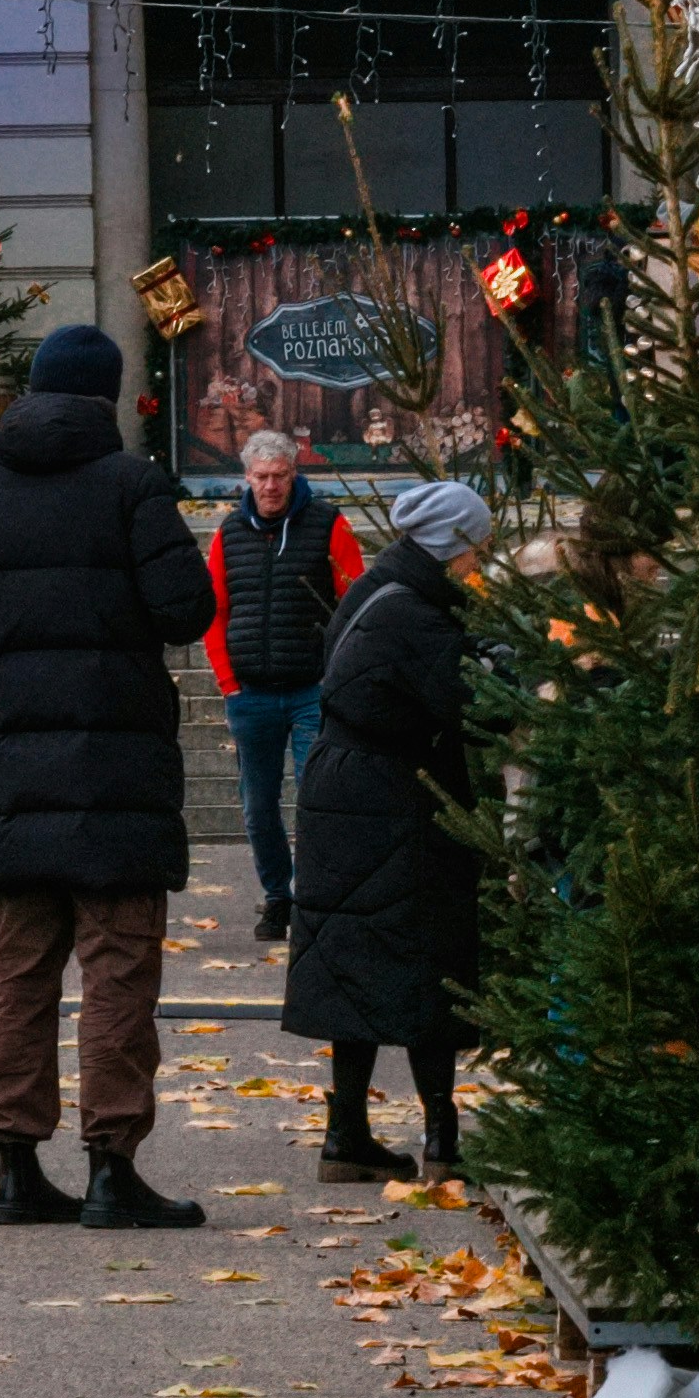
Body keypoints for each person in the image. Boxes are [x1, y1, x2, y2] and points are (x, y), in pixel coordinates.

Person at [0, 322, 218, 1229]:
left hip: (13, 768)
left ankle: (15, 1168)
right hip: (116, 772)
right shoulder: (133, 484)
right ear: (106, 397)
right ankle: (111, 1167)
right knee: (118, 970)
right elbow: (185, 609)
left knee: (19, 974)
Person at [287, 472, 495, 1184]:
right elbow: (475, 703)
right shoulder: (416, 613)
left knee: (354, 957)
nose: (484, 562)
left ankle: (346, 1136)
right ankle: (443, 1141)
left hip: (347, 793)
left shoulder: (380, 591)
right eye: (478, 548)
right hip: (394, 796)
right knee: (426, 959)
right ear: (451, 545)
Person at [209, 425, 353, 949]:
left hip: (312, 689)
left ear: (295, 475)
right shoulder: (228, 534)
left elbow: (353, 602)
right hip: (250, 693)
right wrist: (228, 683)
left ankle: (315, 894)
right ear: (245, 478)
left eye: (281, 476)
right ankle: (277, 896)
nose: (271, 486)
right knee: (257, 805)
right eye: (261, 477)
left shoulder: (329, 524)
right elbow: (216, 612)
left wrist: (335, 676)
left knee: (316, 797)